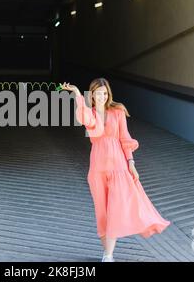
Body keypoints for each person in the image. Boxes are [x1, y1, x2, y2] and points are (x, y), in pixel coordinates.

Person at [61, 78, 171, 262]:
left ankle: (109, 255)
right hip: (97, 170)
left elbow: (125, 139)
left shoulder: (117, 112)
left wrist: (131, 163)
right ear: (93, 95)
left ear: (108, 94)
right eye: (98, 93)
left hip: (119, 168)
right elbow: (84, 118)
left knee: (114, 210)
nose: (102, 96)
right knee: (102, 213)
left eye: (104, 93)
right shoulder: (92, 114)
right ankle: (106, 254)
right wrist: (78, 95)